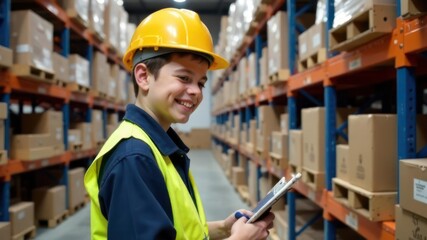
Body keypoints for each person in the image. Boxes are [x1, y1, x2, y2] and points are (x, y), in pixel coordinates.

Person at [84, 8, 275, 240]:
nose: (195, 91)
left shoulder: (158, 146)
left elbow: (171, 228)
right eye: (184, 78)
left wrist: (223, 229)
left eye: (201, 83)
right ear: (143, 76)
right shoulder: (135, 158)